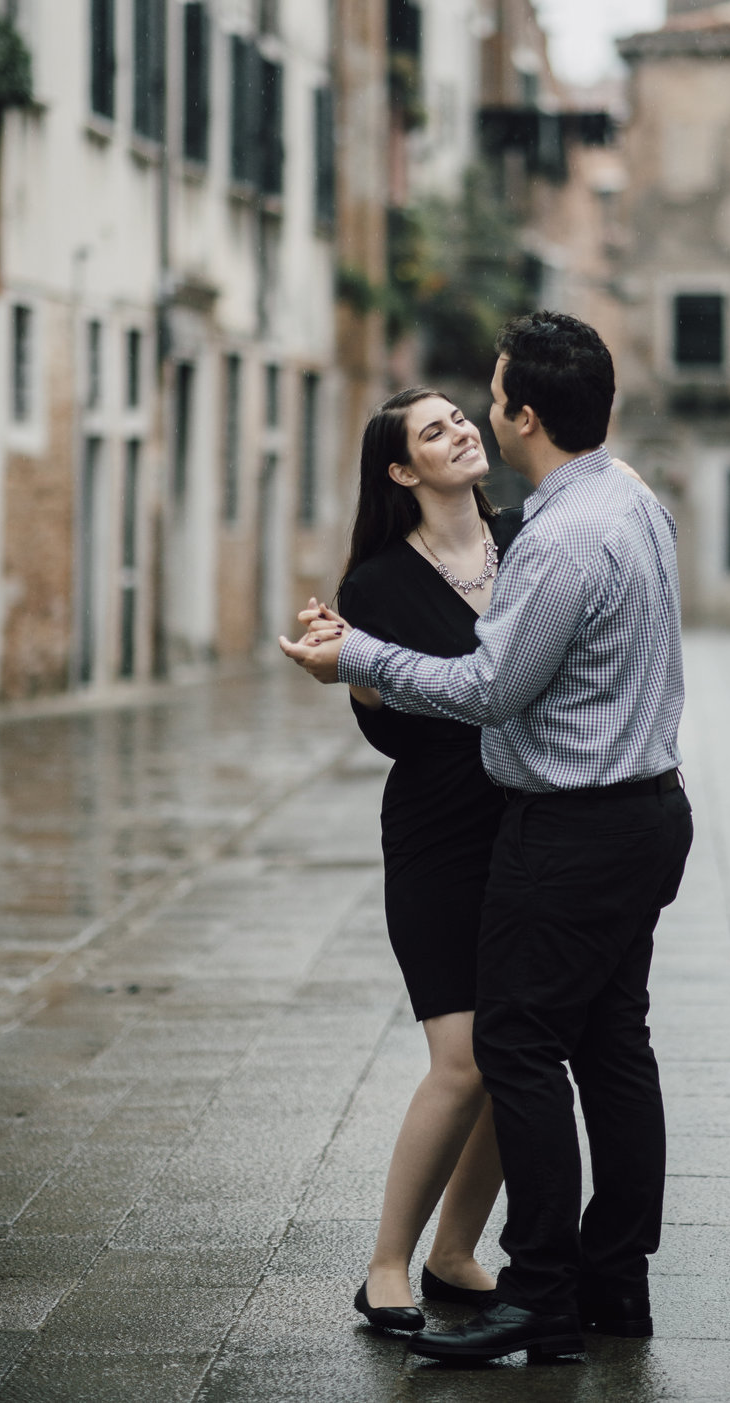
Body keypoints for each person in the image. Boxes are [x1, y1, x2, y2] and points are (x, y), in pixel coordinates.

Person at [281, 311, 693, 1365]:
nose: (474, 415)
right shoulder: (630, 497)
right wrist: (366, 659)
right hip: (611, 814)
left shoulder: (550, 535)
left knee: (516, 1050)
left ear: (521, 414)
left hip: (570, 830)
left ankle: (542, 1290)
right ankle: (610, 1284)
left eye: (486, 396)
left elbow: (489, 686)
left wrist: (355, 654)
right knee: (609, 1047)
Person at [315, 386, 523, 1334]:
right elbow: (388, 733)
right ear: (402, 470)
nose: (460, 431)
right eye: (433, 430)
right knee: (463, 1057)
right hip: (439, 836)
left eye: (460, 417)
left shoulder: (528, 543)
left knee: (514, 1055)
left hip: (533, 829)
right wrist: (357, 676)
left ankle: (455, 1251)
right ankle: (387, 1261)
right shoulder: (374, 587)